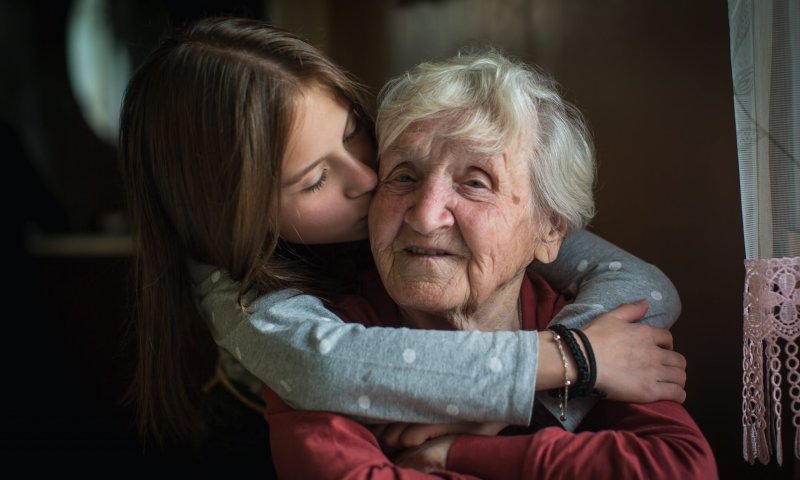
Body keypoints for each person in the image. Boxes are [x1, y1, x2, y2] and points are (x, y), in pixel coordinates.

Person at [119, 16, 685, 462]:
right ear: (236, 219)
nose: (370, 179)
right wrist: (569, 359)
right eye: (316, 179)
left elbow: (646, 289)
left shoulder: (491, 222)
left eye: (355, 135)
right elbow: (325, 369)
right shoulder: (243, 295)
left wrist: (541, 401)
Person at [261, 49, 717, 478]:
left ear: (550, 229)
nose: (424, 214)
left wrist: (460, 452)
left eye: (475, 183)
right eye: (403, 176)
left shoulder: (594, 325)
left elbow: (682, 468)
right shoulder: (324, 345)